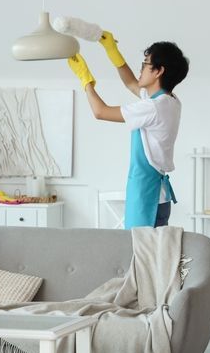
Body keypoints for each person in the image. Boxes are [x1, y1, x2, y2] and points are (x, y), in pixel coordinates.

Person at [67, 34, 189, 228]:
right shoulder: (170, 101)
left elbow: (100, 112)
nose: (140, 69)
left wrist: (86, 80)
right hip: (156, 195)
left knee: (141, 253)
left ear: (158, 71)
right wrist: (112, 52)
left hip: (146, 195)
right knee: (151, 253)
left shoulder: (154, 107)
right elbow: (131, 83)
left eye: (145, 64)